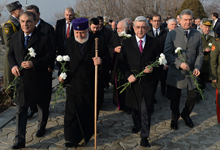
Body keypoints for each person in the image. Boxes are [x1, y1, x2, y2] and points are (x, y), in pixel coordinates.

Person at [58, 18, 109, 148]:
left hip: (90, 83)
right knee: (71, 112)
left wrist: (101, 61)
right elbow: (63, 61)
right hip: (73, 83)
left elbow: (108, 58)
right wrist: (61, 74)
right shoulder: (69, 42)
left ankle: (85, 133)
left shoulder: (97, 42)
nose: (79, 35)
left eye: (82, 33)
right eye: (77, 33)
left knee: (88, 112)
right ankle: (71, 138)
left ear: (87, 30)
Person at [8, 11, 55, 149]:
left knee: (42, 106)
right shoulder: (14, 36)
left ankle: (41, 126)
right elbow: (10, 54)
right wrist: (13, 66)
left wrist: (34, 63)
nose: (25, 24)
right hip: (22, 81)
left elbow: (50, 57)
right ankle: (19, 140)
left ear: (35, 22)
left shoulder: (44, 38)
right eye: (22, 21)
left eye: (28, 21)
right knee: (21, 110)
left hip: (39, 80)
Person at [119, 16, 158, 147]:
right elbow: (121, 62)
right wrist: (128, 75)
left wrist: (152, 68)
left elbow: (159, 61)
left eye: (143, 27)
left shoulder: (154, 42)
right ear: (133, 28)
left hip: (148, 83)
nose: (140, 30)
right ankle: (136, 124)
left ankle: (145, 136)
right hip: (132, 82)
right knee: (135, 108)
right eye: (137, 27)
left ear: (147, 28)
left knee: (146, 109)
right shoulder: (127, 43)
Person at [164, 9, 203, 130]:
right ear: (179, 20)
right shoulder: (172, 34)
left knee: (193, 96)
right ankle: (174, 116)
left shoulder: (197, 34)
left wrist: (197, 66)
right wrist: (179, 63)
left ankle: (186, 114)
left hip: (192, 73)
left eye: (190, 19)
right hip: (177, 73)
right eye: (185, 19)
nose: (188, 22)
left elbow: (200, 54)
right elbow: (167, 53)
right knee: (174, 98)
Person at [26, 5, 56, 118]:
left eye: (33, 14)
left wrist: (50, 65)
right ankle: (32, 108)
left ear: (38, 15)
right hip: (30, 67)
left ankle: (43, 112)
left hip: (43, 65)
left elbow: (52, 48)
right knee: (31, 89)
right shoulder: (25, 28)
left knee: (44, 92)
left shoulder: (47, 28)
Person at [2, 1, 23, 97]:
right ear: (13, 12)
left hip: (19, 54)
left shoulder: (19, 23)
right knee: (11, 80)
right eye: (19, 9)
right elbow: (8, 43)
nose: (22, 10)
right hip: (12, 56)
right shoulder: (9, 25)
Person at [108, 19, 130, 111]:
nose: (117, 30)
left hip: (128, 66)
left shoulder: (130, 36)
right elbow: (109, 47)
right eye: (117, 28)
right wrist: (114, 50)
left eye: (120, 29)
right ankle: (117, 102)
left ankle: (127, 104)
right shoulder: (114, 36)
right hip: (117, 64)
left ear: (125, 29)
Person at [147, 14, 168, 97]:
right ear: (151, 21)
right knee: (153, 80)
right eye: (154, 21)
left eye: (158, 21)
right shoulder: (147, 32)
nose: (156, 23)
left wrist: (166, 62)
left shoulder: (165, 32)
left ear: (161, 21)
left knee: (163, 78)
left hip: (163, 60)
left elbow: (168, 47)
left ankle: (163, 91)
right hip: (152, 60)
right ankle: (153, 95)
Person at [197, 19, 217, 101]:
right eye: (205, 27)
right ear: (201, 26)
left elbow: (217, 47)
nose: (207, 29)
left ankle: (201, 94)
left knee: (203, 80)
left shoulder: (214, 36)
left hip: (208, 62)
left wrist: (212, 49)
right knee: (196, 80)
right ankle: (196, 95)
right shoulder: (197, 35)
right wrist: (203, 49)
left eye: (209, 27)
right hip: (198, 62)